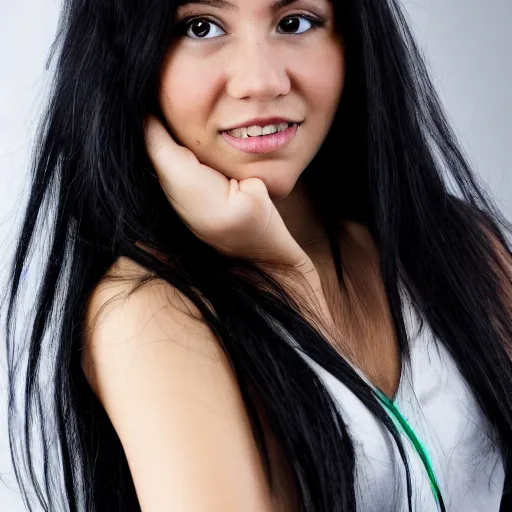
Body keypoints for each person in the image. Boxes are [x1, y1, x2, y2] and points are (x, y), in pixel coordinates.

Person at [4, 0, 512, 510]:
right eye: (201, 27)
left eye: (295, 22)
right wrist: (279, 273)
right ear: (125, 61)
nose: (262, 81)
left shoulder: (460, 244)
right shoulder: (149, 313)